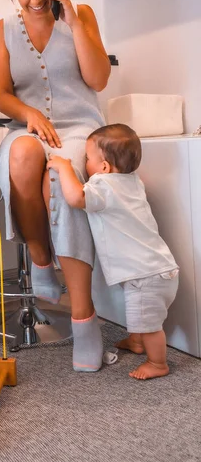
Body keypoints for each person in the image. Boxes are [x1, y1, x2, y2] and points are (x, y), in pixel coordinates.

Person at [0, 0, 111, 372]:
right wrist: (29, 114)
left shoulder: (78, 15)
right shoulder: (1, 31)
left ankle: (84, 320)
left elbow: (98, 79)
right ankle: (41, 262)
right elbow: (2, 94)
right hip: (28, 128)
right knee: (21, 154)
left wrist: (74, 21)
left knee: (60, 183)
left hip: (80, 129)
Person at [47, 124, 179, 380]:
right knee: (140, 316)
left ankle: (157, 362)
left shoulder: (104, 185)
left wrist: (64, 167)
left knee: (150, 325)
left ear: (104, 167)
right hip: (155, 269)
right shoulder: (132, 182)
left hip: (146, 276)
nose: (84, 163)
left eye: (87, 159)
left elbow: (75, 198)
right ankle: (137, 341)